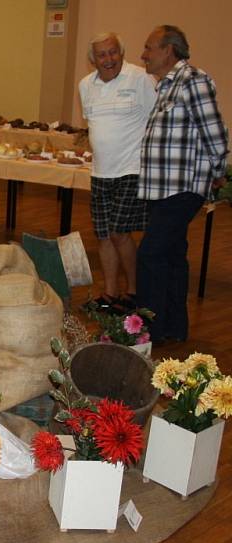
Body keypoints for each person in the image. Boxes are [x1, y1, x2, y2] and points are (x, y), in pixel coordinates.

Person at [137, 25, 228, 343]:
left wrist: (219, 170)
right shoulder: (165, 86)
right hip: (163, 188)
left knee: (149, 254)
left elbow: (214, 131)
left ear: (168, 50)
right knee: (172, 257)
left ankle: (149, 330)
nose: (143, 54)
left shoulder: (193, 81)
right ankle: (175, 328)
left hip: (183, 187)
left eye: (149, 47)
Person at [78, 33, 156, 313]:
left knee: (119, 232)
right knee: (102, 235)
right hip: (100, 172)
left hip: (131, 169)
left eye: (113, 53)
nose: (108, 59)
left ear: (121, 54)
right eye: (102, 55)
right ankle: (110, 292)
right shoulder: (85, 85)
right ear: (93, 60)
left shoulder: (141, 79)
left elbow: (154, 121)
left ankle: (134, 291)